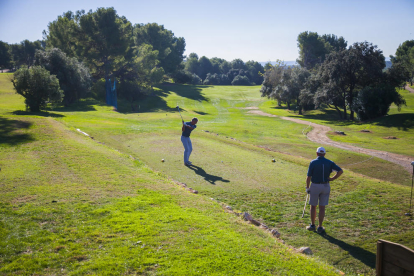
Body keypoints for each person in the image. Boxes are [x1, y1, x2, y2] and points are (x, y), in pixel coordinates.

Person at [306, 147, 343, 233]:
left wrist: (307, 187)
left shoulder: (313, 162)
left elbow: (308, 177)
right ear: (325, 154)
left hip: (315, 186)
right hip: (326, 186)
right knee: (322, 207)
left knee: (313, 206)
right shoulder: (329, 162)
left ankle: (312, 225)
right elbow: (340, 171)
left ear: (317, 153)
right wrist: (332, 179)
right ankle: (320, 227)